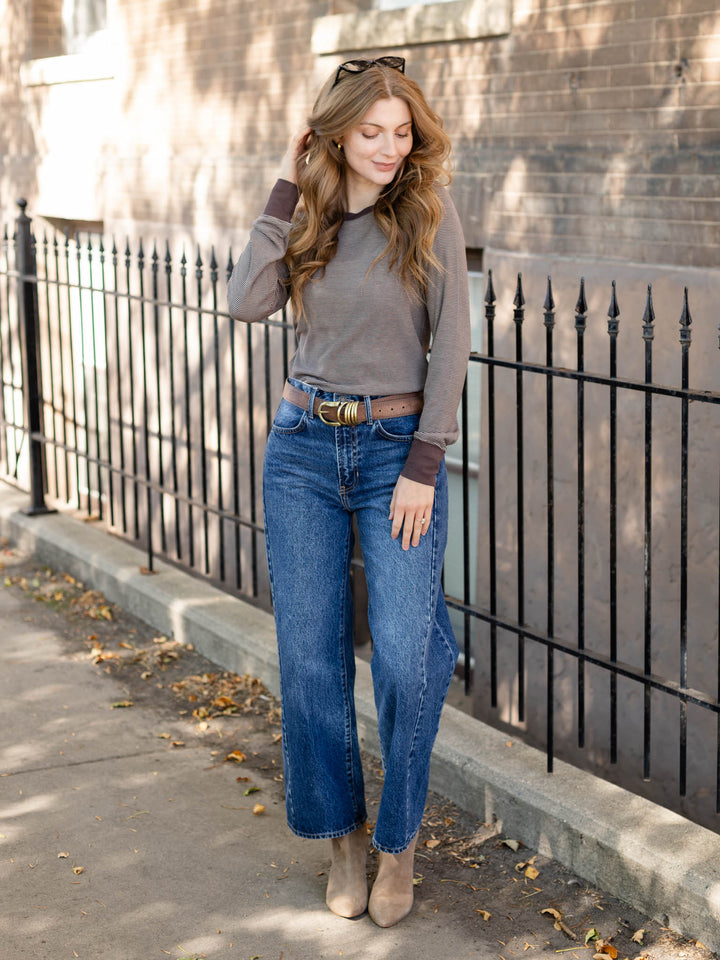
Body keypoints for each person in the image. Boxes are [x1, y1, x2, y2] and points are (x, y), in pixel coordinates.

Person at [227, 56, 470, 928]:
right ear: (333, 134)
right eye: (371, 131)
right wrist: (288, 184)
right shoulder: (313, 213)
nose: (389, 147)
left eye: (401, 132)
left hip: (393, 454)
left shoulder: (429, 210)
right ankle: (344, 837)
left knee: (405, 654)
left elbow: (452, 343)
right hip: (301, 449)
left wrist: (424, 464)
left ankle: (399, 842)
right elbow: (244, 301)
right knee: (310, 657)